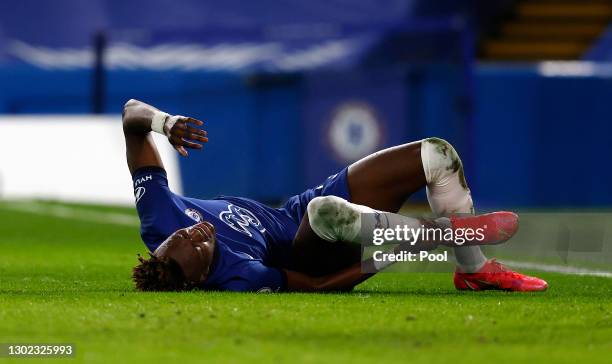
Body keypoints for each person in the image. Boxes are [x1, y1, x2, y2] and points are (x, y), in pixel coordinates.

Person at [124, 99, 547, 293]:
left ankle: (472, 270)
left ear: (164, 242)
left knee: (436, 154)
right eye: (200, 247)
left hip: (295, 209)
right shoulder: (241, 277)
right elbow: (320, 283)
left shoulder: (159, 214)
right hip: (308, 249)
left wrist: (165, 122)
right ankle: (441, 233)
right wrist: (387, 255)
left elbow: (130, 115)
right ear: (201, 279)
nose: (197, 232)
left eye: (183, 237)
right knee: (324, 212)